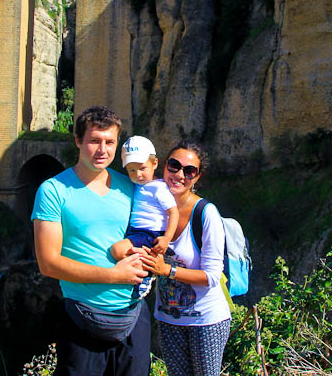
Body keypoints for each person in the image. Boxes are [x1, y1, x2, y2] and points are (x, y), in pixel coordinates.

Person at [32, 106, 151, 376]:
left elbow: (154, 229)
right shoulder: (53, 191)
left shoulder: (132, 187)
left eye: (110, 142)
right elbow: (48, 264)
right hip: (83, 318)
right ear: (78, 140)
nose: (102, 150)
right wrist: (113, 275)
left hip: (133, 317)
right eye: (94, 141)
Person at [139, 140, 231, 376]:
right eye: (174, 166)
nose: (179, 174)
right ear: (163, 167)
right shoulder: (151, 204)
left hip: (207, 320)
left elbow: (211, 276)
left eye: (189, 171)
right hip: (168, 318)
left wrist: (167, 270)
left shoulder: (206, 214)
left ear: (197, 177)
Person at [110, 136, 179, 299]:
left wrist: (166, 238)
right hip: (136, 231)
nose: (138, 175)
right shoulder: (136, 185)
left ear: (154, 164)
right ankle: (141, 275)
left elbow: (173, 212)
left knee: (117, 250)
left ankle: (146, 273)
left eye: (142, 168)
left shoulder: (159, 188)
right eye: (131, 170)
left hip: (150, 233)